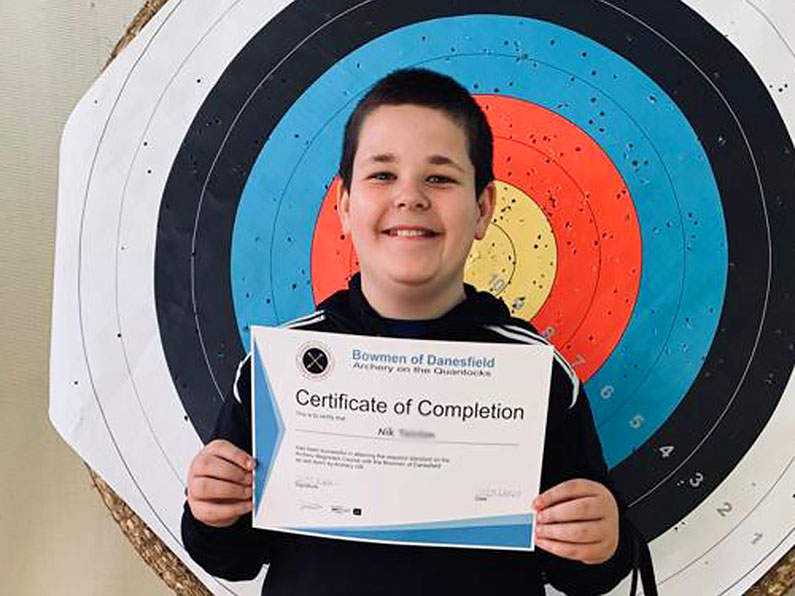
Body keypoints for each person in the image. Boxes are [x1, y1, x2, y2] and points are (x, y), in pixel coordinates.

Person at [182, 68, 649, 595]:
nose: (410, 197)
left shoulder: (538, 374)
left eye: (440, 178)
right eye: (382, 175)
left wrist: (603, 539)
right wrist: (212, 510)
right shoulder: (279, 368)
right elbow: (233, 558)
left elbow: (585, 572)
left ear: (483, 209)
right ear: (344, 208)